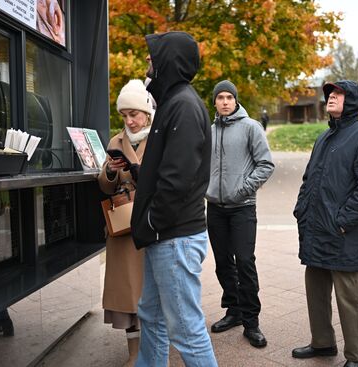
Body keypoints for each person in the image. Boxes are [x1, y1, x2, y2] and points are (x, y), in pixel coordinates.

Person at [130, 31, 217, 366]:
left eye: (154, 55)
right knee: (150, 317)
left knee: (185, 330)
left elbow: (178, 179)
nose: (148, 62)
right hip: (166, 235)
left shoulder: (182, 105)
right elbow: (172, 168)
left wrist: (152, 221)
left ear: (170, 60)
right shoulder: (174, 102)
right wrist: (143, 176)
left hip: (173, 237)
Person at [291, 80, 358, 367]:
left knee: (351, 297)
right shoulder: (324, 137)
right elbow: (310, 178)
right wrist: (301, 211)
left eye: (339, 94)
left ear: (353, 100)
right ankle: (323, 343)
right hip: (315, 229)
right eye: (330, 94)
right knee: (315, 290)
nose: (331, 97)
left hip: (341, 232)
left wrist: (342, 221)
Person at [206, 80, 274, 348]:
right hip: (215, 208)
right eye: (220, 97)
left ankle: (252, 322)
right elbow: (200, 166)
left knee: (245, 262)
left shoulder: (250, 127)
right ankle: (233, 311)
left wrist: (243, 189)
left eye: (229, 97)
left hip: (243, 208)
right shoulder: (209, 131)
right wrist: (206, 188)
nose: (224, 102)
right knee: (223, 262)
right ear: (214, 102)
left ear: (236, 101)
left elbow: (266, 164)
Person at [98, 79, 153, 367]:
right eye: (124, 115)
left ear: (146, 113)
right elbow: (105, 187)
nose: (129, 121)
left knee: (150, 293)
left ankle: (154, 350)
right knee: (128, 295)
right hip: (122, 225)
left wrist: (137, 171)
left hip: (149, 223)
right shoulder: (114, 142)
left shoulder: (158, 137)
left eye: (134, 114)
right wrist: (109, 171)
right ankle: (134, 355)